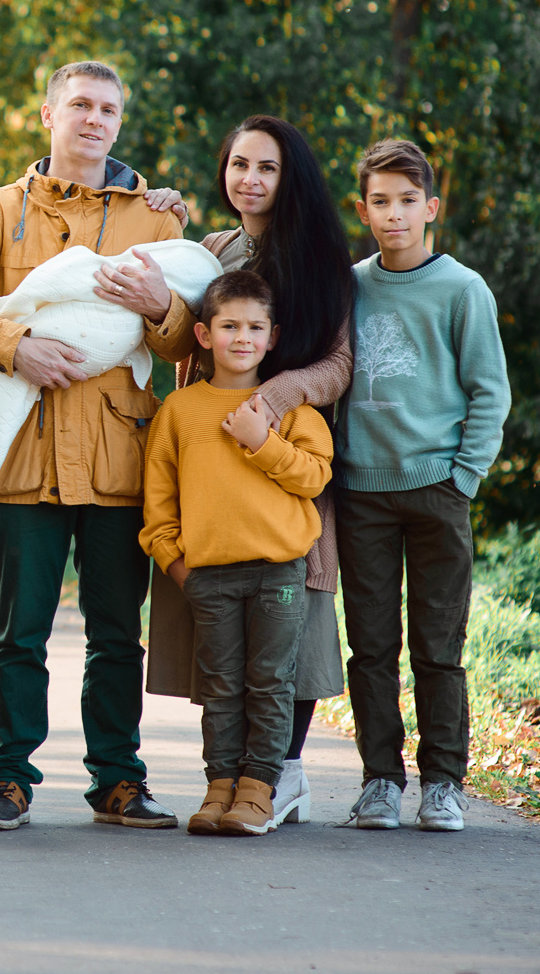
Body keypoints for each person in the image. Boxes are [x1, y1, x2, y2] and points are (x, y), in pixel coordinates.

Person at [0, 59, 190, 832]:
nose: (94, 118)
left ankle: (118, 778)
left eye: (108, 108)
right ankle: (7, 778)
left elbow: (185, 340)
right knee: (19, 630)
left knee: (115, 634)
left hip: (119, 459)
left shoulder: (158, 221)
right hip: (23, 456)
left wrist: (163, 303)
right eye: (79, 105)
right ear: (48, 115)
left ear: (119, 122)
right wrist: (14, 346)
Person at [144, 115, 355, 824]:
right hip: (211, 460)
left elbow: (338, 363)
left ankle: (276, 775)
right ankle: (228, 779)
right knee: (225, 651)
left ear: (288, 176)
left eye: (265, 167)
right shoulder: (213, 249)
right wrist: (165, 241)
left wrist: (273, 402)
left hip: (283, 451)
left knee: (292, 626)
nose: (250, 179)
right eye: (238, 164)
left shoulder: (319, 257)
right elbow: (186, 337)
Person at [336, 138, 510, 833]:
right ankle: (380, 779)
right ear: (363, 209)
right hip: (363, 494)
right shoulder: (349, 286)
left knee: (439, 644)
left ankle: (444, 781)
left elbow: (489, 392)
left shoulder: (463, 289)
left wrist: (464, 476)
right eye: (380, 201)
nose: (394, 214)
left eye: (408, 200)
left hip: (439, 487)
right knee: (371, 645)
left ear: (431, 207)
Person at [140, 270, 334, 836]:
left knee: (270, 683)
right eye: (229, 326)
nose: (241, 337)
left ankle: (258, 790)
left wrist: (260, 441)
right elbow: (159, 503)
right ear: (203, 335)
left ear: (272, 337)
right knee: (220, 686)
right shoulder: (180, 409)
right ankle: (219, 785)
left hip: (278, 573)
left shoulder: (291, 411)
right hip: (209, 576)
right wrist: (178, 565)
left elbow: (314, 480)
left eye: (254, 327)